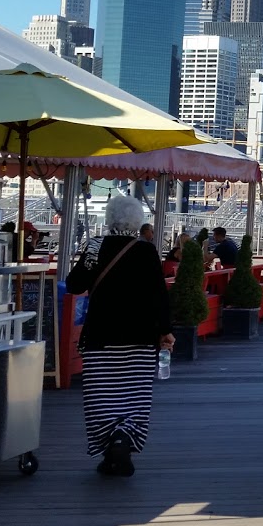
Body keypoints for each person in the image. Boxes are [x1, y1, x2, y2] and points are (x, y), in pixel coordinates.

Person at [63, 194, 174, 478]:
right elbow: (159, 295)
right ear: (137, 222)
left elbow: (75, 285)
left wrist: (89, 260)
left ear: (109, 219)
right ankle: (125, 437)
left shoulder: (95, 246)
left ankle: (108, 447)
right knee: (135, 394)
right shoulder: (146, 250)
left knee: (101, 395)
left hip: (101, 334)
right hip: (140, 336)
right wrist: (166, 330)